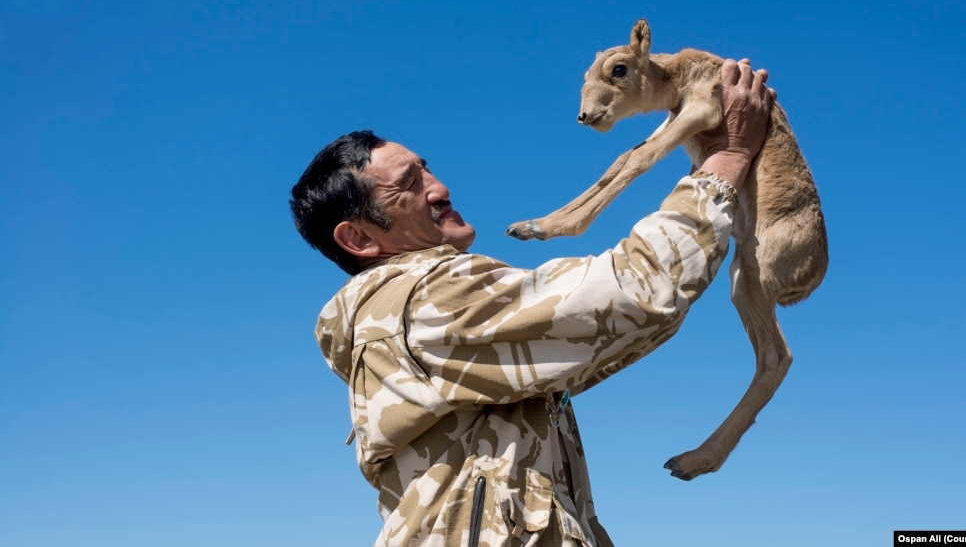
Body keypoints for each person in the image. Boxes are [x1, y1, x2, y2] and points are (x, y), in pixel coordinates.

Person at [289, 59, 775, 547]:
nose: (439, 187)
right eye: (409, 183)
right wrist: (726, 158)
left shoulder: (411, 324)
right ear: (358, 237)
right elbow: (637, 291)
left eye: (427, 168)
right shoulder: (426, 299)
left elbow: (618, 332)